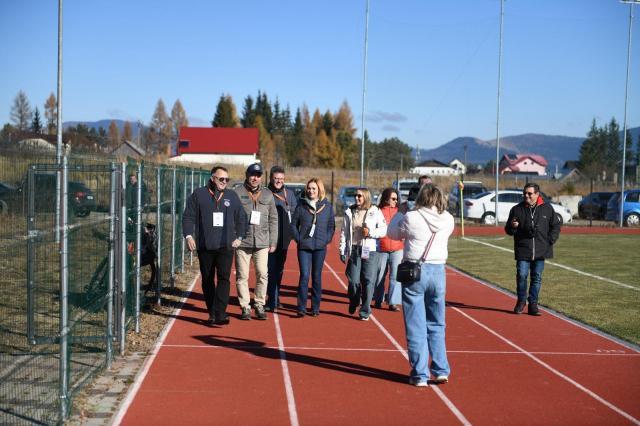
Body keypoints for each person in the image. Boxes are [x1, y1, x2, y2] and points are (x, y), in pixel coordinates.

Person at [387, 184, 454, 386]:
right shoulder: (448, 219)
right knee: (437, 322)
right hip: (438, 272)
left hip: (415, 271)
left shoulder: (412, 217)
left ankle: (420, 374)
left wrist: (401, 213)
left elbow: (392, 234)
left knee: (416, 326)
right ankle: (441, 369)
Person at [182, 166, 247, 326]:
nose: (224, 182)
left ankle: (220, 313)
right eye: (221, 179)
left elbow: (242, 218)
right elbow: (188, 216)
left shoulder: (231, 196)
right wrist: (189, 235)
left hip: (226, 245)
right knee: (207, 280)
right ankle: (212, 312)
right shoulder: (199, 194)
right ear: (212, 178)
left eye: (227, 179)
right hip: (205, 245)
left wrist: (239, 236)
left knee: (224, 278)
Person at [505, 182, 561, 316]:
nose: (526, 196)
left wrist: (550, 241)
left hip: (541, 251)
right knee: (522, 276)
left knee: (536, 278)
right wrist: (513, 226)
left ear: (537, 194)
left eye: (529, 193)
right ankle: (521, 301)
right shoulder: (517, 209)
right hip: (523, 249)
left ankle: (533, 304)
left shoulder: (547, 208)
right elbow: (508, 230)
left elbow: (556, 226)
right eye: (524, 193)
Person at [235, 163, 278, 321]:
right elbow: (231, 216)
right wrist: (235, 237)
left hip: (262, 242)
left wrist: (273, 241)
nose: (255, 178)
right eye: (252, 174)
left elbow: (273, 219)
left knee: (262, 274)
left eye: (258, 175)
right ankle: (245, 307)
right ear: (247, 175)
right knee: (242, 276)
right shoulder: (237, 192)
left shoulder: (268, 194)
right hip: (242, 242)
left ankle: (259, 304)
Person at [339, 187, 387, 321]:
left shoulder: (375, 211)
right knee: (353, 280)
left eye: (359, 196)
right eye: (356, 196)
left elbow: (384, 230)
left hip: (370, 250)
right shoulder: (350, 211)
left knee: (368, 281)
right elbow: (344, 232)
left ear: (366, 197)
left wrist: (371, 232)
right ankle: (354, 300)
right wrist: (342, 250)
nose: (356, 198)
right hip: (354, 249)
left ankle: (365, 311)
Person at [291, 178, 335, 317]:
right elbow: (293, 224)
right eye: (309, 188)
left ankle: (315, 307)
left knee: (316, 277)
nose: (311, 191)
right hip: (304, 247)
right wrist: (298, 238)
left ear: (319, 190)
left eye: (314, 188)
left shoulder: (327, 207)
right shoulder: (301, 206)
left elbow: (331, 226)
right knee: (304, 276)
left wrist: (326, 239)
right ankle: (301, 307)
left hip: (320, 248)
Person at [266, 166, 298, 312]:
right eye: (276, 178)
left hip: (284, 238)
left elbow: (296, 214)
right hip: (268, 238)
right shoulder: (265, 193)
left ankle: (274, 297)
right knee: (269, 269)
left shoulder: (289, 194)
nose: (279, 181)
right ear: (271, 178)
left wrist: (293, 234)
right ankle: (271, 299)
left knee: (279, 269)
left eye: (281, 179)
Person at [373, 188, 403, 311]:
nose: (395, 201)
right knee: (380, 275)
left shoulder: (400, 213)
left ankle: (393, 302)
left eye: (397, 199)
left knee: (395, 276)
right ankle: (378, 299)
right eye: (393, 199)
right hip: (382, 248)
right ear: (386, 198)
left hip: (397, 248)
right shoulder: (378, 212)